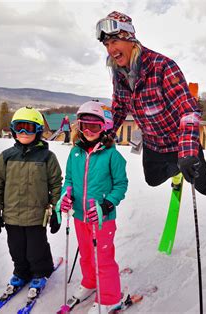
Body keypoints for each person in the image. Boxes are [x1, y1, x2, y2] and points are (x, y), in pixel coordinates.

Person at [95, 11, 206, 199]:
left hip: (179, 142)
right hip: (153, 144)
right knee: (152, 180)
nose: (110, 50)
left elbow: (188, 111)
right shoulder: (119, 73)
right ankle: (176, 171)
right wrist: (106, 133)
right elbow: (119, 106)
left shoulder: (162, 66)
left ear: (129, 38)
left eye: (114, 42)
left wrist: (187, 153)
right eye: (107, 44)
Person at [58, 100, 128, 314]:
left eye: (94, 126)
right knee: (87, 254)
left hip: (102, 219)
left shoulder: (112, 156)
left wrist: (107, 205)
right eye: (84, 125)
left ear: (104, 127)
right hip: (79, 216)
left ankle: (110, 297)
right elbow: (68, 179)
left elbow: (121, 185)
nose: (88, 131)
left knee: (103, 258)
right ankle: (90, 282)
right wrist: (65, 196)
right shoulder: (75, 153)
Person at [0, 106, 63, 299]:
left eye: (28, 128)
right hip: (12, 215)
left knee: (36, 248)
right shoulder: (6, 156)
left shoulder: (47, 157)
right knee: (16, 248)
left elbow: (56, 185)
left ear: (37, 130)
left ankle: (41, 271)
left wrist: (56, 212)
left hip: (37, 216)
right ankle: (21, 272)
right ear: (13, 130)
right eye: (19, 128)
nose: (23, 133)